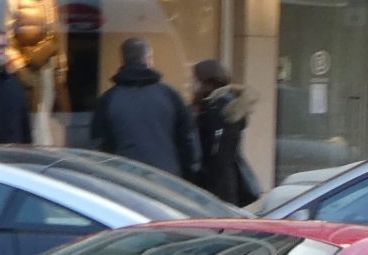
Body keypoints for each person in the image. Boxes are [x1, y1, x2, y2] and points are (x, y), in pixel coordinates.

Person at [88, 38, 200, 182]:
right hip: (168, 180)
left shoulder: (109, 99)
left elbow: (98, 148)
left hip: (125, 181)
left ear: (122, 60)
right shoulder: (171, 95)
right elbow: (189, 143)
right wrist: (189, 178)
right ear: (148, 59)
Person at [190, 58, 258, 205]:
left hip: (218, 190)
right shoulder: (211, 106)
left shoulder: (220, 108)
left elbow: (219, 157)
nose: (191, 85)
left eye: (194, 80)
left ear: (206, 82)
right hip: (219, 185)